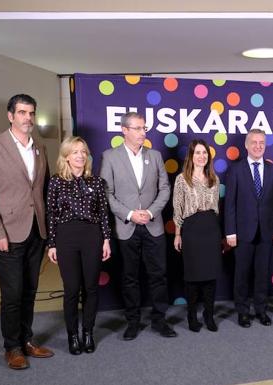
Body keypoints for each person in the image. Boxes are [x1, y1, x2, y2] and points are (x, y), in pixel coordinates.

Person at [0, 94, 54, 370]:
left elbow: (41, 192)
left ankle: (27, 340)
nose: (27, 118)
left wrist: (48, 229)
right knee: (12, 293)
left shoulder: (40, 148)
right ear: (10, 116)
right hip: (5, 233)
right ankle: (12, 347)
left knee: (30, 290)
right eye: (22, 112)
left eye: (31, 113)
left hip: (36, 231)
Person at [99, 112, 176, 340]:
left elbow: (165, 188)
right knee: (129, 276)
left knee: (159, 275)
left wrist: (151, 212)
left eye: (144, 128)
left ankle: (159, 320)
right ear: (124, 130)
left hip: (154, 225)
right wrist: (131, 214)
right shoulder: (110, 157)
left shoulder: (155, 156)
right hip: (126, 226)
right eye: (138, 128)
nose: (144, 132)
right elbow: (106, 193)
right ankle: (133, 321)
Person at [46, 136, 111, 354]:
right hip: (66, 236)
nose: (81, 156)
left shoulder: (97, 182)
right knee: (72, 289)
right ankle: (72, 335)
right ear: (66, 156)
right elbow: (51, 214)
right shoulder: (56, 181)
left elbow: (103, 214)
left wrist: (106, 240)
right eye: (75, 152)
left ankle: (88, 333)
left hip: (92, 235)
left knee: (91, 288)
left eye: (83, 151)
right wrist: (52, 244)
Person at [224, 129, 273, 328]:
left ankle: (261, 310)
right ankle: (242, 311)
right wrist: (230, 232)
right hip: (242, 233)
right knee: (241, 274)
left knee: (262, 274)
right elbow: (230, 204)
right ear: (246, 145)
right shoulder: (235, 169)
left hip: (267, 232)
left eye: (261, 143)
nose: (258, 146)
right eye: (254, 142)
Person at [172, 139, 222, 333]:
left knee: (211, 276)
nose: (201, 156)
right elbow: (177, 208)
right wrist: (178, 234)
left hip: (210, 228)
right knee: (192, 277)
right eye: (198, 153)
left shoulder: (214, 179)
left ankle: (209, 316)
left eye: (204, 153)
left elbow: (217, 207)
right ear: (191, 156)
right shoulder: (181, 179)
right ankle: (192, 317)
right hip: (191, 229)